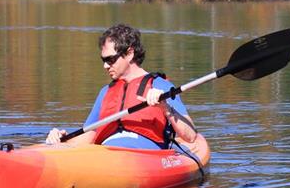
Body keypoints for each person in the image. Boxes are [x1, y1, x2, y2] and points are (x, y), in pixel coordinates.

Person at [45, 24, 197, 149]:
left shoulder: (160, 85)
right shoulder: (106, 92)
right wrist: (63, 140)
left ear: (129, 53)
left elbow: (190, 136)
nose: (105, 65)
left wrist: (165, 107)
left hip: (144, 156)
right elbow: (90, 135)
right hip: (106, 154)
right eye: (103, 60)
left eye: (110, 59)